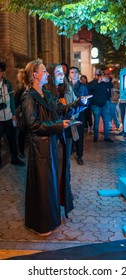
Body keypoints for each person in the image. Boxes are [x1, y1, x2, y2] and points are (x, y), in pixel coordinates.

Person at [19, 59, 88, 236]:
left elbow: (63, 110)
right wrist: (58, 126)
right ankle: (40, 224)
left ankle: (51, 219)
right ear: (35, 74)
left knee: (51, 185)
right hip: (40, 148)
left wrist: (79, 103)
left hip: (51, 144)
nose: (48, 74)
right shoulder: (28, 96)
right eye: (44, 71)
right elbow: (32, 125)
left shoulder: (47, 94)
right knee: (43, 187)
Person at [45, 63, 79, 218]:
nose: (61, 75)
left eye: (62, 72)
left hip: (68, 132)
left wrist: (74, 111)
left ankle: (65, 193)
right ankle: (56, 197)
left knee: (66, 164)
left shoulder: (67, 88)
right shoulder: (47, 92)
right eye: (58, 72)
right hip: (54, 134)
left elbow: (72, 108)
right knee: (55, 167)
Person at [0, 61, 25, 168]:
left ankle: (15, 158)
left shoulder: (7, 84)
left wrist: (14, 113)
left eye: (0, 71)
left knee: (12, 139)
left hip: (9, 116)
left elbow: (11, 101)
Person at [69, 66, 89, 165]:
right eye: (72, 72)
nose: (74, 74)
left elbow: (86, 102)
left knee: (79, 136)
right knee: (69, 134)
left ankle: (79, 155)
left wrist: (82, 104)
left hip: (79, 113)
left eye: (75, 72)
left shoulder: (83, 87)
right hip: (68, 114)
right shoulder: (66, 86)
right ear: (69, 75)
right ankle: (69, 151)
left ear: (78, 74)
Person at [88, 69, 113, 143]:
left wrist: (108, 80)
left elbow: (110, 86)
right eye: (97, 75)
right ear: (94, 75)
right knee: (96, 121)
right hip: (95, 105)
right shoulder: (92, 83)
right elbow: (90, 89)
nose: (98, 77)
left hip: (104, 104)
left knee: (106, 120)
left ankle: (107, 137)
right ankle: (95, 137)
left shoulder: (103, 82)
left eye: (99, 75)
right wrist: (97, 83)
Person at [14, 69, 27, 158]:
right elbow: (17, 106)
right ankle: (21, 152)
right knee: (22, 134)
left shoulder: (20, 91)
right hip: (23, 117)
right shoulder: (20, 92)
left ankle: (22, 152)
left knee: (22, 134)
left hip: (25, 116)